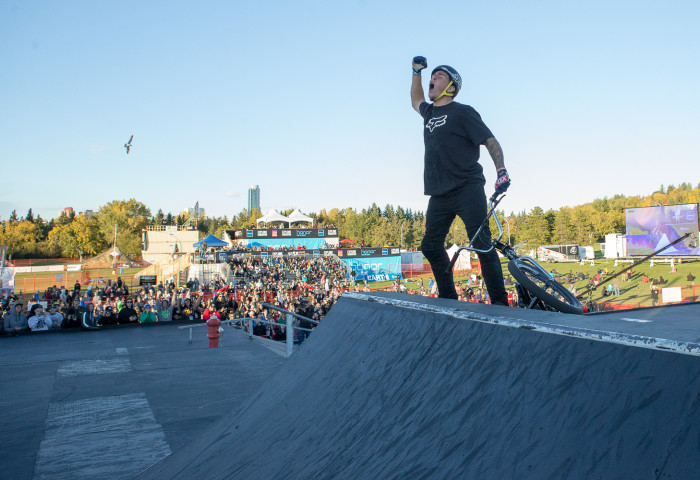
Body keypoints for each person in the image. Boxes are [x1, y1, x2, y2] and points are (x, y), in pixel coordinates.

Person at [410, 56, 509, 305]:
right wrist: (416, 73)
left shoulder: (463, 112)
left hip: (467, 187)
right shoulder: (430, 113)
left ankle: (500, 303)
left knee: (481, 244)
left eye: (439, 76)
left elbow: (490, 140)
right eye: (432, 76)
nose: (433, 78)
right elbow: (416, 100)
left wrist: (501, 170)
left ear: (451, 87)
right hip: (439, 193)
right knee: (430, 246)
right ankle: (448, 298)